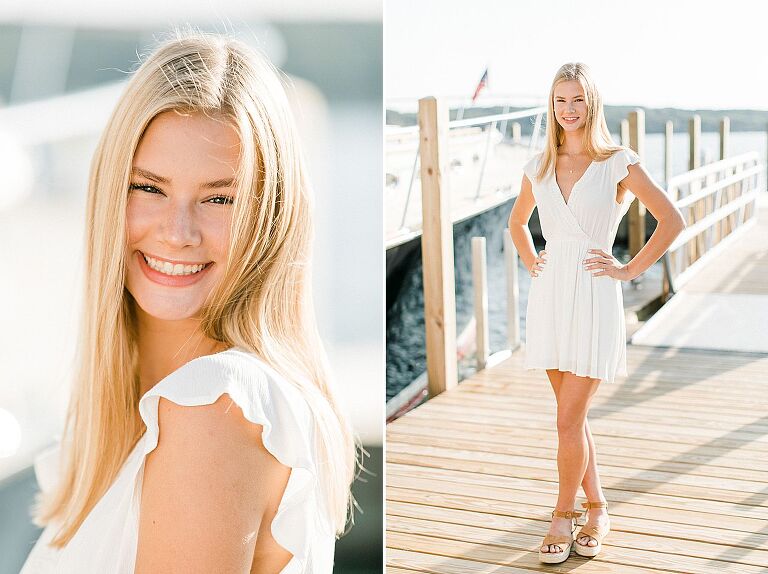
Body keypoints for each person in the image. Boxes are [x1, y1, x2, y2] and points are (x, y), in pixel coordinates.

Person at [20, 30, 358, 574]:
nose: (178, 233)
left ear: (271, 216)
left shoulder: (214, 406)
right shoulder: (172, 407)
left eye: (220, 198)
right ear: (111, 191)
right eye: (148, 188)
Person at [507, 62, 685, 563]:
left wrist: (629, 271)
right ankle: (599, 506)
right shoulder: (538, 165)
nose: (568, 110)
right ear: (552, 104)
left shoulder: (616, 162)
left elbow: (671, 219)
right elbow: (518, 223)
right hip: (549, 296)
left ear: (592, 104)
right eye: (561, 100)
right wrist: (531, 260)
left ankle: (563, 513)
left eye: (578, 100)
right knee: (573, 418)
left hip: (593, 293)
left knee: (567, 420)